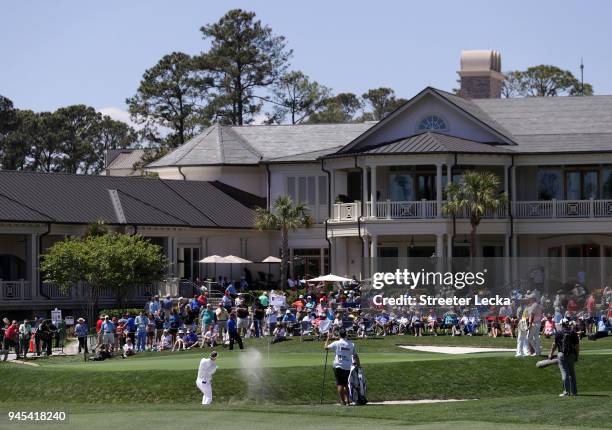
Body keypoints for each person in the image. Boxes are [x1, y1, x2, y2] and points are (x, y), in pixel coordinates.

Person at [324, 329, 357, 406]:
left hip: (338, 365)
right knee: (346, 384)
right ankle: (348, 401)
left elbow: (325, 348)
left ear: (339, 335)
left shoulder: (337, 343)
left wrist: (328, 338)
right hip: (348, 366)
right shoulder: (351, 344)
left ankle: (342, 401)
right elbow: (355, 355)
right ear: (346, 335)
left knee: (340, 384)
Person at [549, 318, 580, 396]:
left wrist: (551, 354)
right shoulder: (573, 333)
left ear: (561, 324)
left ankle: (566, 392)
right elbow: (577, 346)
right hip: (572, 354)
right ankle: (574, 392)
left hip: (561, 355)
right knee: (572, 373)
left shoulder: (558, 333)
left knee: (565, 373)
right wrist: (577, 355)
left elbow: (554, 345)